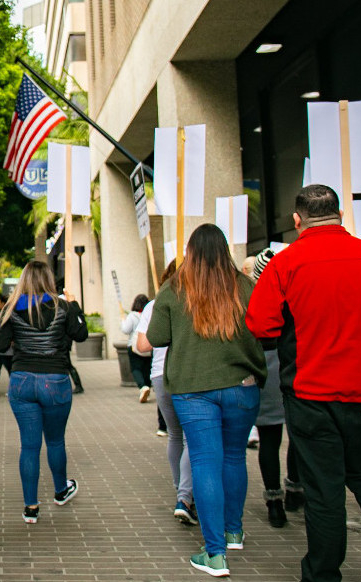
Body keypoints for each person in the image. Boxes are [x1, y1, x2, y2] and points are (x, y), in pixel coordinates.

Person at [246, 184, 361, 582]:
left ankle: (323, 575)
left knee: (324, 491)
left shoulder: (285, 264)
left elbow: (261, 325)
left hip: (311, 396)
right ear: (340, 215)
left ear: (297, 221)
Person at [146, 224, 266, 578]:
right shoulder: (245, 285)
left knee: (204, 462)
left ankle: (215, 555)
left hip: (192, 390)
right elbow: (264, 328)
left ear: (191, 252)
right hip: (242, 386)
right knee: (233, 457)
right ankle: (234, 532)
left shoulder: (175, 288)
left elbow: (156, 336)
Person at [0, 260, 87, 524]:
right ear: (49, 279)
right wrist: (75, 303)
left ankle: (31, 507)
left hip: (21, 380)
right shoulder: (63, 307)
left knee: (29, 446)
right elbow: (81, 334)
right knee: (55, 441)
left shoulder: (11, 308)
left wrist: (6, 321)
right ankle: (60, 490)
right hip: (55, 380)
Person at [135, 260, 197, 526]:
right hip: (188, 376)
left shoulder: (152, 305)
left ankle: (180, 490)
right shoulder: (194, 302)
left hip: (159, 375)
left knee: (175, 435)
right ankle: (185, 496)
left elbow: (141, 346)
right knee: (191, 439)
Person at [246, 248, 303, 529]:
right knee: (298, 434)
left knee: (269, 439)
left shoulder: (255, 298)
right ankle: (295, 490)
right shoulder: (296, 295)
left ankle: (274, 504)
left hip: (266, 370)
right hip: (296, 368)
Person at [121, 294, 152, 403]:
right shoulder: (149, 314)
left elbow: (126, 330)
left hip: (134, 346)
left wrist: (123, 321)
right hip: (148, 346)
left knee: (136, 368)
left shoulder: (133, 316)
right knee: (147, 369)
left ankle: (143, 387)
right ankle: (147, 388)